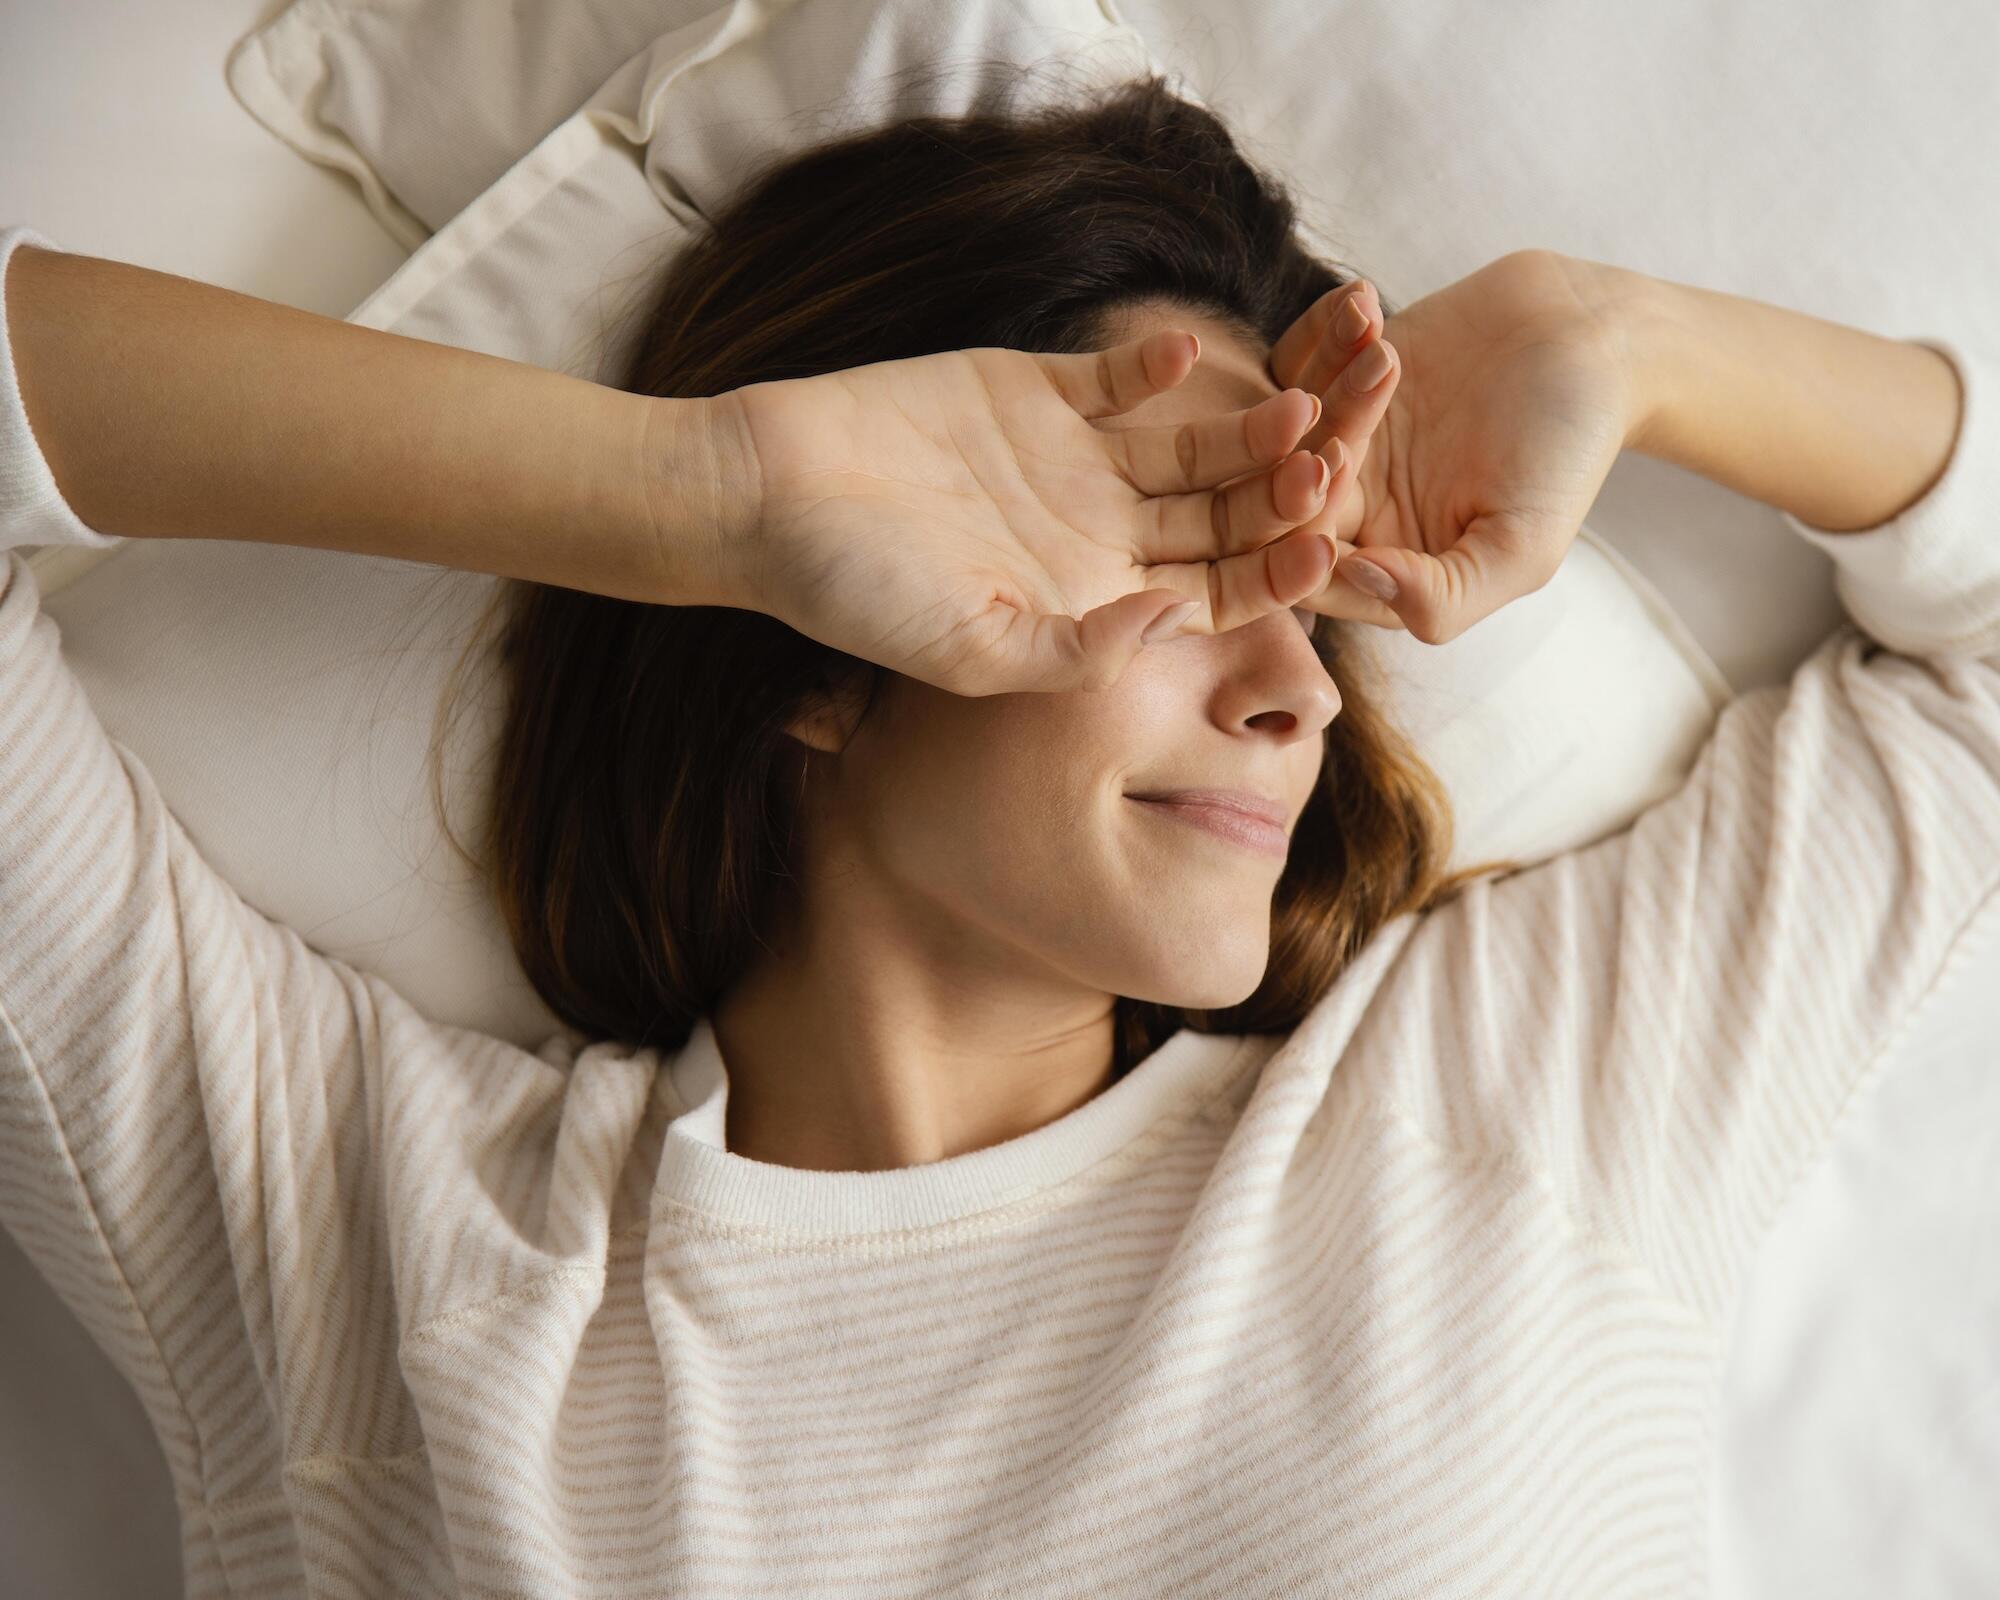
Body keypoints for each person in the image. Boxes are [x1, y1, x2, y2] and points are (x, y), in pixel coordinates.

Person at [2, 72, 1993, 1599]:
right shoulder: (371, 1245)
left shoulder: (1509, 1099)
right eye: (1185, 553)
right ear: (823, 645)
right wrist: (706, 501)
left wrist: (1611, 337)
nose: (1301, 696)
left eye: (1311, 601)